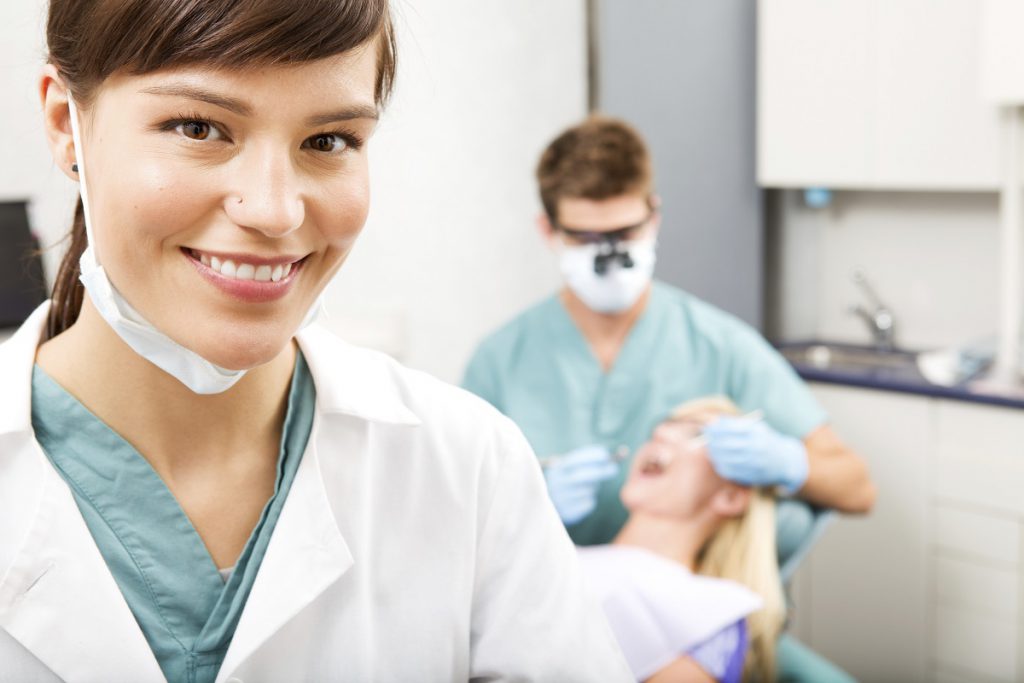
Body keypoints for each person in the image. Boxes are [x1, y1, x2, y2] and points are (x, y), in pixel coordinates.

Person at [0, 2, 633, 681]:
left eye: (328, 140)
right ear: (67, 123)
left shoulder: (468, 468)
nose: (276, 210)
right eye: (199, 127)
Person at [462, 116, 877, 546]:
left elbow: (858, 489)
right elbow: (452, 516)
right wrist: (525, 504)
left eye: (626, 232)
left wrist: (792, 464)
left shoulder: (721, 345)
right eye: (587, 238)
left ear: (654, 217)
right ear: (548, 230)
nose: (611, 255)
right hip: (554, 605)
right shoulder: (500, 360)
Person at [577, 397, 784, 683]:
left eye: (695, 434)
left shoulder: (709, 613)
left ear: (730, 497)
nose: (661, 434)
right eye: (660, 429)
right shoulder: (564, 554)